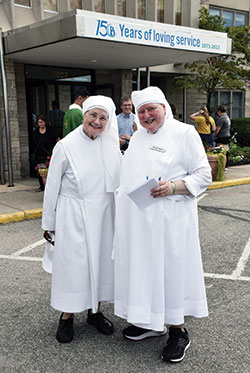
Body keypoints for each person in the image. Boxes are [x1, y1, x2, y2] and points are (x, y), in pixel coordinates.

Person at [114, 87, 212, 363]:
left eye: (151, 109)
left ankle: (178, 331)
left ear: (165, 108)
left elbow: (204, 174)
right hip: (140, 221)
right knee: (145, 271)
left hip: (171, 221)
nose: (146, 116)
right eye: (141, 111)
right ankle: (150, 322)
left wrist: (175, 186)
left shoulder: (184, 133)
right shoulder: (137, 138)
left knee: (170, 273)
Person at [42, 96, 121, 343]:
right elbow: (52, 187)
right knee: (74, 268)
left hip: (103, 216)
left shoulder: (109, 145)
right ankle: (66, 317)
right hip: (73, 215)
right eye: (93, 116)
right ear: (84, 115)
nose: (97, 122)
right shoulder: (65, 146)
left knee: (100, 263)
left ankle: (95, 313)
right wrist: (49, 224)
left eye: (103, 118)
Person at [33, 115, 57, 192]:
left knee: (48, 170)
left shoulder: (50, 130)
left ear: (45, 122)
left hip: (48, 153)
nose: (40, 124)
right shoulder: (36, 131)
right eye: (39, 122)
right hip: (39, 153)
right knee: (40, 170)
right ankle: (42, 186)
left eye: (42, 122)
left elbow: (54, 139)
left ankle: (48, 187)